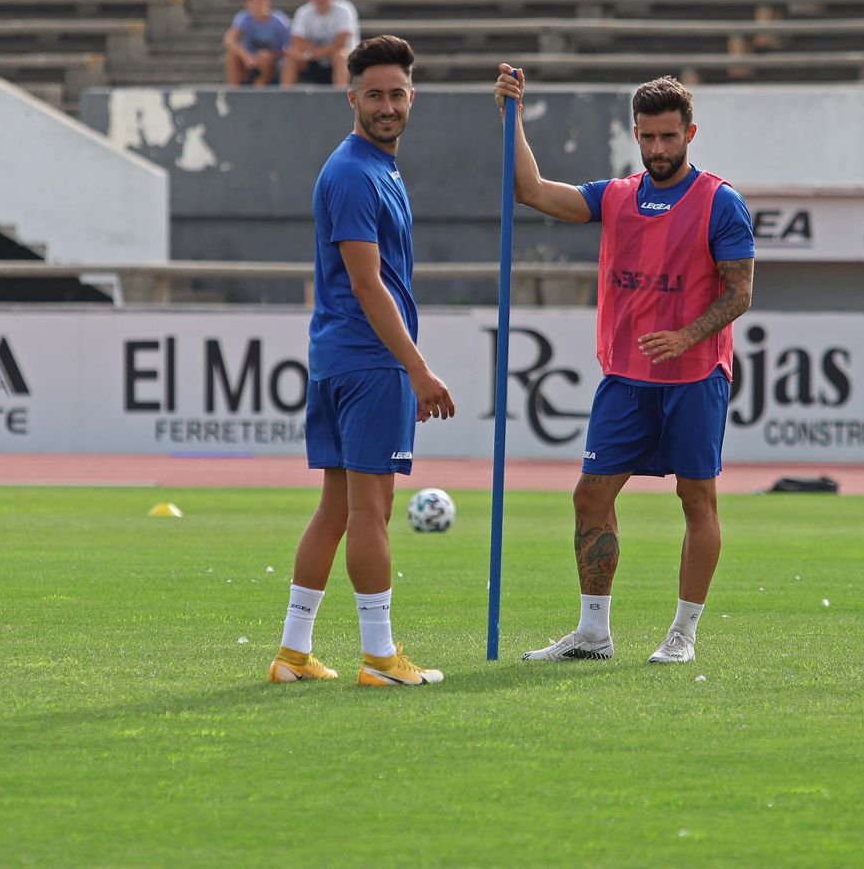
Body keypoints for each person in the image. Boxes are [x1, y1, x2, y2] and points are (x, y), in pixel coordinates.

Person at [493, 66, 755, 665]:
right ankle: (593, 633)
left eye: (668, 136)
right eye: (647, 137)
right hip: (625, 380)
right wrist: (512, 117)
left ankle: (683, 634)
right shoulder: (615, 197)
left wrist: (686, 335)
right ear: (635, 134)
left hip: (694, 379)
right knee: (590, 496)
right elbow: (529, 190)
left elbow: (740, 293)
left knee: (697, 501)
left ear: (690, 132)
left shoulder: (720, 202)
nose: (658, 148)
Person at [268, 35, 453, 688]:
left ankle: (292, 652)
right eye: (373, 94)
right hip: (369, 361)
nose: (386, 105)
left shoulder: (373, 168)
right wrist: (417, 367)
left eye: (396, 94)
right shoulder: (352, 173)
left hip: (339, 358)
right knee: (371, 508)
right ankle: (379, 655)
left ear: (412, 97)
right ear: (351, 98)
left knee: (339, 508)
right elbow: (367, 284)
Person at [282, 0, 359, 88]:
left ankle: (340, 96)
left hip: (340, 61)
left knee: (341, 55)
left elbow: (341, 41)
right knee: (291, 56)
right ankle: (284, 97)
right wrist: (312, 54)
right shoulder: (303, 12)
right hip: (313, 60)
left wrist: (314, 53)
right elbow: (297, 40)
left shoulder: (344, 10)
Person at [222, 0, 291, 87]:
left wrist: (272, 55)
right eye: (252, 1)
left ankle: (260, 86)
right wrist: (246, 56)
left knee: (263, 56)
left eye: (260, 0)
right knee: (231, 57)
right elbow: (229, 40)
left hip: (272, 63)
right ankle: (234, 90)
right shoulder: (243, 18)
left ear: (268, 1)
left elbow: (289, 46)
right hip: (250, 62)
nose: (257, 4)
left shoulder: (279, 20)